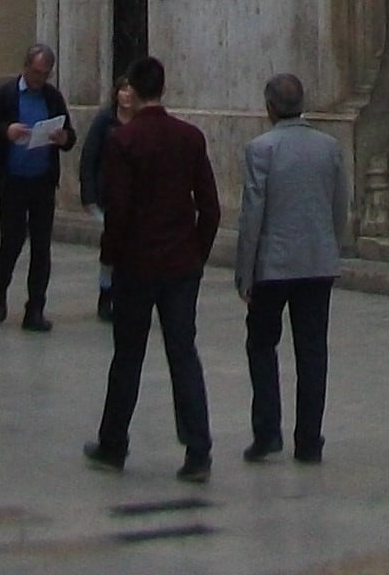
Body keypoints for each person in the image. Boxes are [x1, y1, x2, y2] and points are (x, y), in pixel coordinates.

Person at [85, 58, 219, 482]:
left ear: (134, 91)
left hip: (136, 264)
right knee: (183, 353)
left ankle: (114, 442)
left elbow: (118, 211)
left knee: (128, 355)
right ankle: (198, 449)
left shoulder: (125, 141)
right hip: (181, 263)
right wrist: (198, 251)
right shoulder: (190, 138)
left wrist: (111, 255)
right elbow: (210, 208)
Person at [234, 72, 349, 467]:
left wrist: (244, 272)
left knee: (262, 344)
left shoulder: (260, 149)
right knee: (313, 351)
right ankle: (309, 440)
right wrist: (331, 247)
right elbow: (339, 207)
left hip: (274, 265)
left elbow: (252, 216)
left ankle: (267, 432)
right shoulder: (329, 147)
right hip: (317, 262)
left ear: (269, 108)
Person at [0, 41, 72, 329]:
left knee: (41, 246)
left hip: (41, 181)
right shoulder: (5, 95)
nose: (39, 79)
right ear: (25, 68)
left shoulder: (52, 97)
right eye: (36, 73)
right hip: (12, 180)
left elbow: (69, 134)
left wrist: (63, 138)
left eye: (45, 74)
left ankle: (35, 308)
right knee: (12, 240)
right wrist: (5, 131)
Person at [78, 75, 136, 323]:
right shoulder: (105, 120)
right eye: (122, 90)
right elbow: (89, 156)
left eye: (130, 90)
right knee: (111, 248)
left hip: (135, 196)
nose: (126, 95)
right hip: (108, 195)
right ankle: (106, 294)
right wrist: (88, 195)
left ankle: (128, 296)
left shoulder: (142, 121)